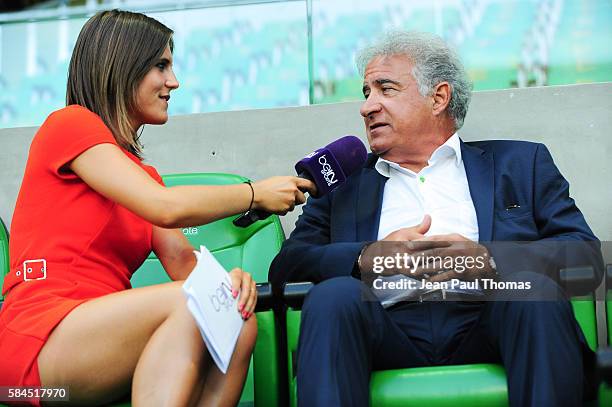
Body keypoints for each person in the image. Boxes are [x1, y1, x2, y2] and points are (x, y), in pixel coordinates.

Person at [269, 30, 603, 407]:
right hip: (382, 328)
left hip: (495, 319)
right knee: (333, 297)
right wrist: (367, 257)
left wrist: (489, 259)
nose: (367, 107)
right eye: (366, 93)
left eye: (386, 89)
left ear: (438, 97)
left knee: (532, 290)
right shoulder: (342, 187)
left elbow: (584, 258)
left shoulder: (521, 164)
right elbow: (287, 269)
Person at [0, 9, 314, 407]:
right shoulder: (69, 125)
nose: (174, 82)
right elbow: (164, 208)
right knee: (190, 302)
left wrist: (231, 282)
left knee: (235, 316)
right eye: (160, 66)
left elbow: (187, 269)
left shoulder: (142, 176)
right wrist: (255, 193)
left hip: (99, 353)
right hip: (33, 353)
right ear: (122, 67)